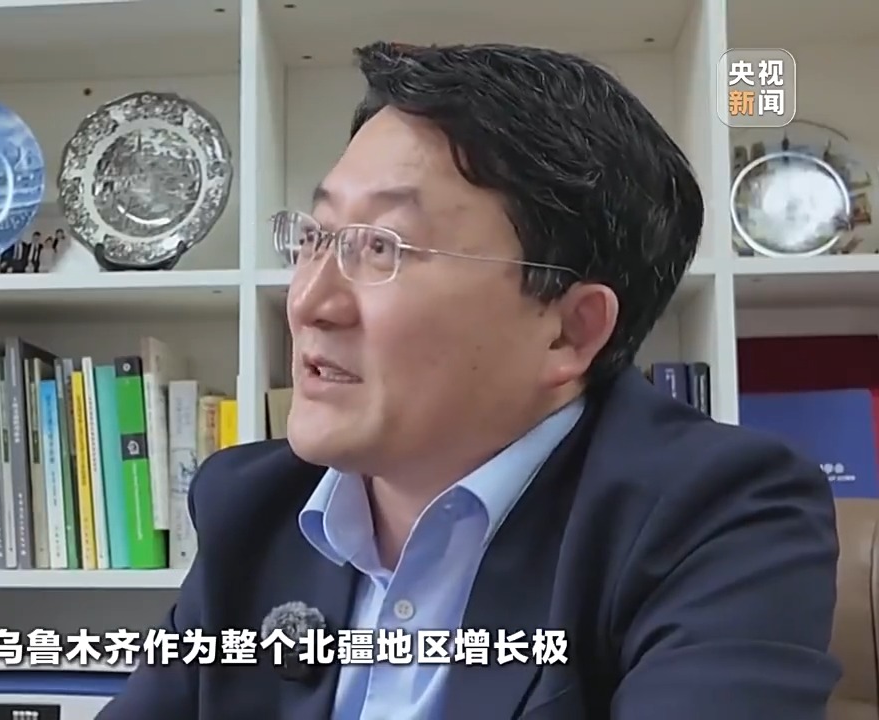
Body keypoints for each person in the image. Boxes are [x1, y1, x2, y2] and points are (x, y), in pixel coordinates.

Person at [97, 42, 840, 719]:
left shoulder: (722, 515)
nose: (309, 303)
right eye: (317, 237)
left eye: (382, 247)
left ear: (569, 330)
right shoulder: (252, 506)